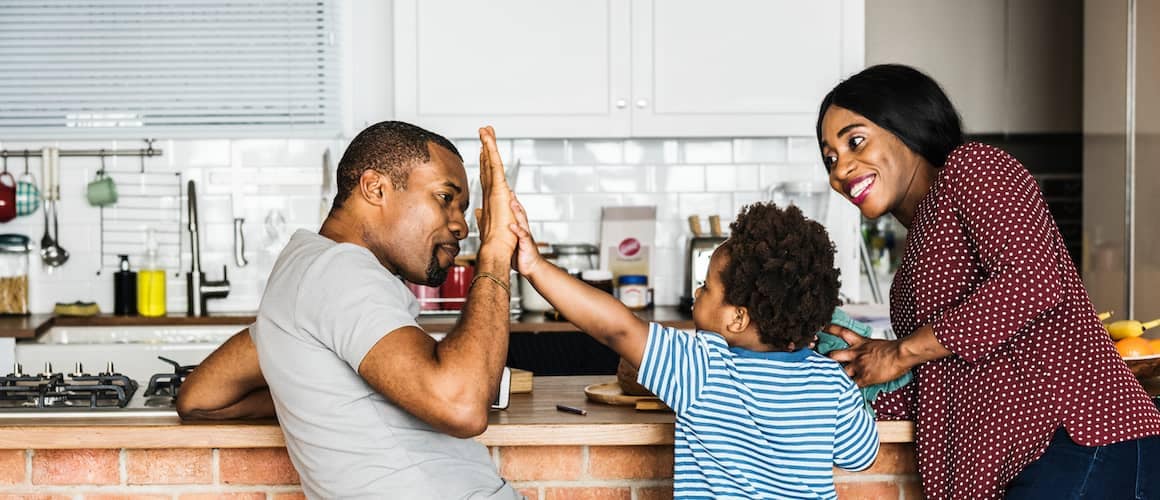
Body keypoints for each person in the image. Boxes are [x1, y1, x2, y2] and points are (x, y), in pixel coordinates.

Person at [816, 64, 1160, 500]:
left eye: (855, 141)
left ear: (906, 125)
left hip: (1082, 439)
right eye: (830, 158)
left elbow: (1033, 281)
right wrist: (854, 369)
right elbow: (945, 375)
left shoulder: (973, 168)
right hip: (1036, 463)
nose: (840, 169)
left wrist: (900, 353)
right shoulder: (915, 261)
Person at [176, 121, 524, 500]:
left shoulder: (305, 270)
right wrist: (494, 253)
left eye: (462, 208)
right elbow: (462, 407)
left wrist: (322, 402)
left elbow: (201, 397)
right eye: (444, 198)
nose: (460, 226)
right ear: (375, 188)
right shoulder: (341, 271)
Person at [509, 199, 880, 499]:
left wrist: (535, 267)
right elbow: (861, 456)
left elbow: (617, 328)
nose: (696, 295)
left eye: (705, 288)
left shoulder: (702, 365)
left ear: (737, 318)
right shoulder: (831, 382)